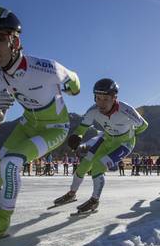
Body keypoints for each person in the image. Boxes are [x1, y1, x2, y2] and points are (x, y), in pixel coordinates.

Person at [0, 6, 80, 241]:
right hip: (27, 124)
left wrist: (72, 88)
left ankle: (2, 219)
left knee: (11, 163)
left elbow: (75, 80)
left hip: (55, 128)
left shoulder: (46, 68)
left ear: (15, 40)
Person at [53, 78, 147, 213]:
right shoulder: (93, 110)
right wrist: (76, 136)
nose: (101, 103)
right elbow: (81, 129)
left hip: (124, 143)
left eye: (105, 99)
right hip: (106, 139)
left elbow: (144, 126)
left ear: (114, 98)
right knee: (83, 167)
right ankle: (71, 194)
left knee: (98, 166)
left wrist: (132, 135)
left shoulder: (126, 110)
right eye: (98, 98)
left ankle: (94, 201)